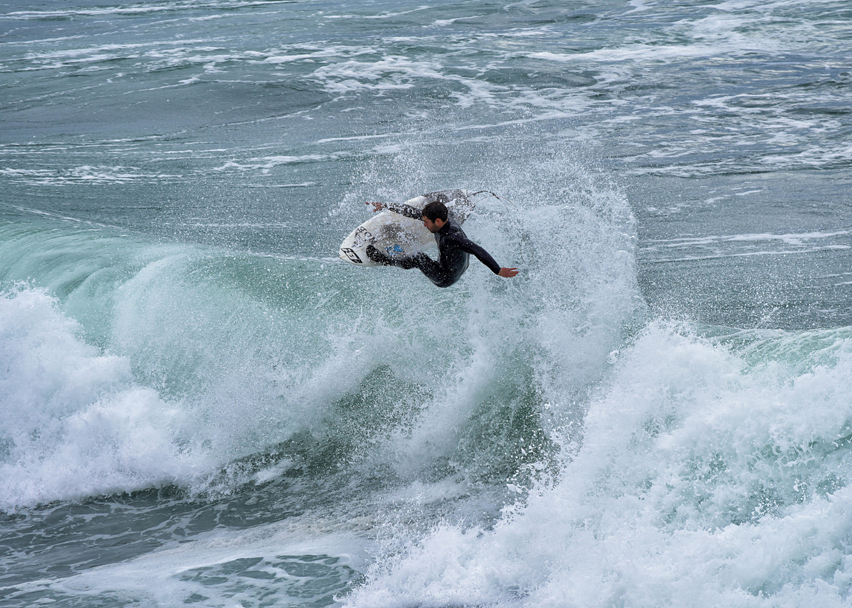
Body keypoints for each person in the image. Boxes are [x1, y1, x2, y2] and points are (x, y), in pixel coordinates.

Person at [364, 197, 518, 288]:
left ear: (438, 220)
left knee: (419, 258)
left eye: (426, 222)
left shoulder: (451, 237)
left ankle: (384, 259)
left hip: (445, 277)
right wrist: (386, 206)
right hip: (459, 266)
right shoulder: (446, 219)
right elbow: (413, 212)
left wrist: (497, 270)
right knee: (418, 224)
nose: (424, 224)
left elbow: (477, 249)